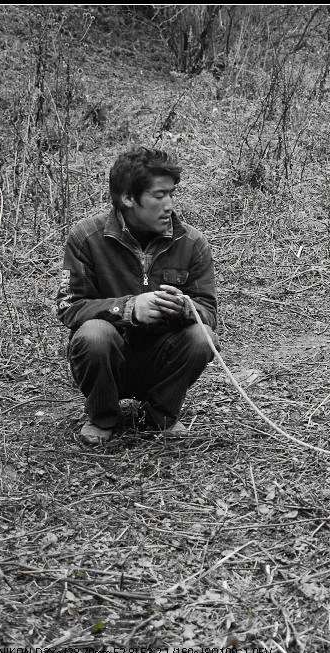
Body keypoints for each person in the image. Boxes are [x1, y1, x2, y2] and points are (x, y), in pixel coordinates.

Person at [54, 147, 219, 444]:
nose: (169, 205)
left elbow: (208, 310)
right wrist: (128, 308)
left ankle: (161, 414)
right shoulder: (86, 237)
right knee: (93, 335)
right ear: (128, 198)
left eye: (172, 194)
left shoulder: (192, 242)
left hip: (162, 357)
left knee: (202, 336)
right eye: (159, 196)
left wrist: (184, 308)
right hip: (108, 357)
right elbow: (69, 307)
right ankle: (103, 416)